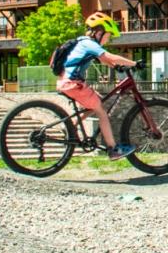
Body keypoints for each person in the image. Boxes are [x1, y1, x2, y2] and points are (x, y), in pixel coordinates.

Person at [58, 11, 138, 159]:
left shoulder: (83, 43)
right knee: (101, 111)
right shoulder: (89, 44)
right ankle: (113, 149)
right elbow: (109, 56)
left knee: (97, 101)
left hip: (67, 83)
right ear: (99, 32)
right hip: (73, 84)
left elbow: (104, 60)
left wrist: (116, 67)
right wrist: (134, 63)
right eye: (107, 35)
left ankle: (70, 125)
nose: (107, 40)